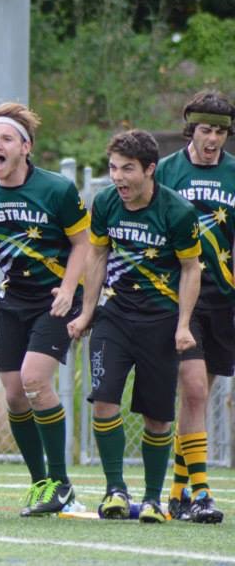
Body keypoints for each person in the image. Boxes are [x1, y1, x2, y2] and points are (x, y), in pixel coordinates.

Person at [68, 129, 201, 524]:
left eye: (127, 169)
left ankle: (153, 499)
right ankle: (115, 491)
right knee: (104, 401)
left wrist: (183, 325)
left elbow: (190, 269)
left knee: (158, 417)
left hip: (161, 322)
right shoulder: (106, 202)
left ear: (149, 170)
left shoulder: (177, 211)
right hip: (115, 317)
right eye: (113, 168)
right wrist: (87, 312)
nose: (118, 177)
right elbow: (97, 255)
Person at [0, 103, 89, 515]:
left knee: (35, 380)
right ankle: (41, 483)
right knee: (16, 395)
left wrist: (68, 289)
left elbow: (83, 243)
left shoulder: (56, 189)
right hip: (12, 299)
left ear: (25, 147)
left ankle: (62, 483)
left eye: (6, 139)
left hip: (54, 299)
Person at [154, 91, 234, 524]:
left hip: (223, 299)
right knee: (196, 389)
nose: (213, 139)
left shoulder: (233, 173)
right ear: (191, 129)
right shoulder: (166, 171)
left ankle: (178, 492)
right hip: (180, 298)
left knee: (198, 398)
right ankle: (201, 493)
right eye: (206, 130)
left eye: (220, 131)